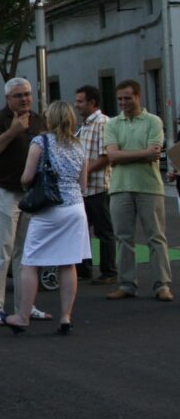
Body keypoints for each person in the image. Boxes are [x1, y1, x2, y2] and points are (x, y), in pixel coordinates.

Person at [2, 101, 90, 334]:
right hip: (75, 208)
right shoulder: (79, 145)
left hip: (48, 209)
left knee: (30, 263)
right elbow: (83, 184)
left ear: (50, 120)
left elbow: (26, 178)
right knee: (67, 263)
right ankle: (65, 316)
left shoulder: (40, 143)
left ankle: (22, 316)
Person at [0, 78, 50, 325]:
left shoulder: (38, 119)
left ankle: (26, 306)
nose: (24, 99)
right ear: (8, 98)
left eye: (27, 94)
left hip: (31, 194)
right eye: (18, 95)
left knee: (27, 253)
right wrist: (12, 131)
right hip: (4, 191)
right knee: (2, 250)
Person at [105, 80, 174, 302]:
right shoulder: (113, 123)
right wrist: (142, 154)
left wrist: (125, 155)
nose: (123, 102)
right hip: (120, 187)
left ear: (138, 97)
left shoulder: (154, 121)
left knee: (156, 237)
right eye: (120, 99)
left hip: (149, 187)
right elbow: (112, 156)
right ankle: (126, 284)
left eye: (127, 98)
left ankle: (162, 285)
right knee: (123, 238)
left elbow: (154, 152)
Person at [74, 85, 118, 285]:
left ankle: (109, 271)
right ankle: (84, 268)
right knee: (82, 230)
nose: (77, 105)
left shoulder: (102, 123)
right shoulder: (83, 125)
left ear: (92, 102)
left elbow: (105, 156)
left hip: (99, 186)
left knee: (104, 230)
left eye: (80, 101)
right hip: (84, 188)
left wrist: (84, 172)